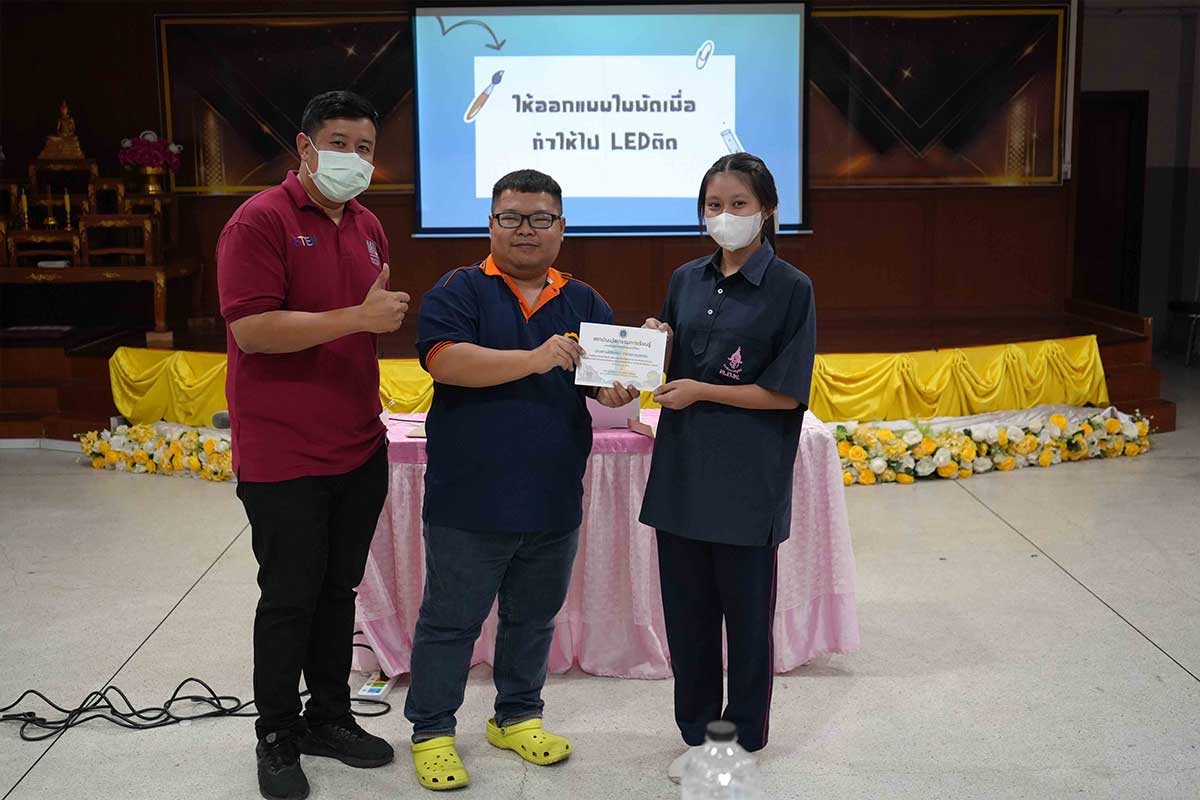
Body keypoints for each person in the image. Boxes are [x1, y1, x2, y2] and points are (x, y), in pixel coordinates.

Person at [404, 169, 638, 791]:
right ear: (491, 224)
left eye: (540, 219)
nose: (526, 230)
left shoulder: (584, 301)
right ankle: (432, 731)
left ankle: (516, 717)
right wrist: (534, 359)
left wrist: (623, 381)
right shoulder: (459, 289)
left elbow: (600, 385)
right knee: (450, 621)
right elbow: (446, 362)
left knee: (533, 619)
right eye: (511, 217)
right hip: (469, 496)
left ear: (562, 227)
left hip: (553, 493)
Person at [217, 90, 410, 800]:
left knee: (338, 590)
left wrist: (365, 320)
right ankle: (276, 733)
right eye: (339, 144)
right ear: (304, 147)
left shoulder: (367, 224)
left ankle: (329, 716)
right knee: (290, 596)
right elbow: (252, 331)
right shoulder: (259, 221)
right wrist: (356, 317)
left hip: (358, 443)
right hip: (283, 452)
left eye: (365, 149)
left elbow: (365, 321)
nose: (353, 159)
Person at [639, 153, 816, 782]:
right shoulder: (686, 279)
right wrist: (653, 343)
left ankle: (735, 743)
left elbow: (787, 394)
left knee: (745, 623)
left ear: (767, 210)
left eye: (739, 204)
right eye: (713, 205)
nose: (725, 216)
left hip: (747, 480)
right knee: (687, 620)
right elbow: (672, 367)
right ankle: (697, 734)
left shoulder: (791, 287)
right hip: (682, 474)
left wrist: (702, 391)